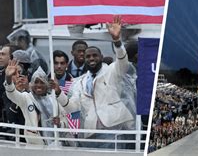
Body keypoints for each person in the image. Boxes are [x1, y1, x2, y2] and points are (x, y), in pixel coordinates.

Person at [52, 16, 134, 148]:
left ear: (101, 57)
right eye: (88, 56)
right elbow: (73, 108)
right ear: (84, 59)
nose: (91, 58)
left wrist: (117, 41)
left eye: (95, 55)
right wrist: (58, 92)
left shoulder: (112, 71)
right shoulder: (80, 82)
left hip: (113, 130)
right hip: (90, 133)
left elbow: (123, 62)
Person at [4, 61, 68, 145]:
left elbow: (65, 123)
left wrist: (59, 123)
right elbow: (12, 94)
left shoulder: (54, 100)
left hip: (55, 144)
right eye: (36, 82)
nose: (39, 85)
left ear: (46, 84)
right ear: (31, 84)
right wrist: (8, 78)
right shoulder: (26, 98)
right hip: (35, 144)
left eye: (42, 82)